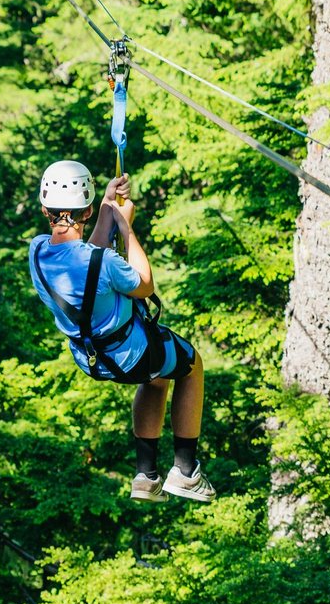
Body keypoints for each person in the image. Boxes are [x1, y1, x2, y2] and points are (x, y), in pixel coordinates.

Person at [28, 160, 214, 503]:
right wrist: (126, 228)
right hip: (132, 353)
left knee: (157, 379)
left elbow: (87, 255)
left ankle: (146, 476)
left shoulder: (37, 252)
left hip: (91, 359)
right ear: (84, 211)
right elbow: (144, 285)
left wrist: (106, 212)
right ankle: (186, 472)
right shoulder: (108, 264)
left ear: (44, 208)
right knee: (191, 365)